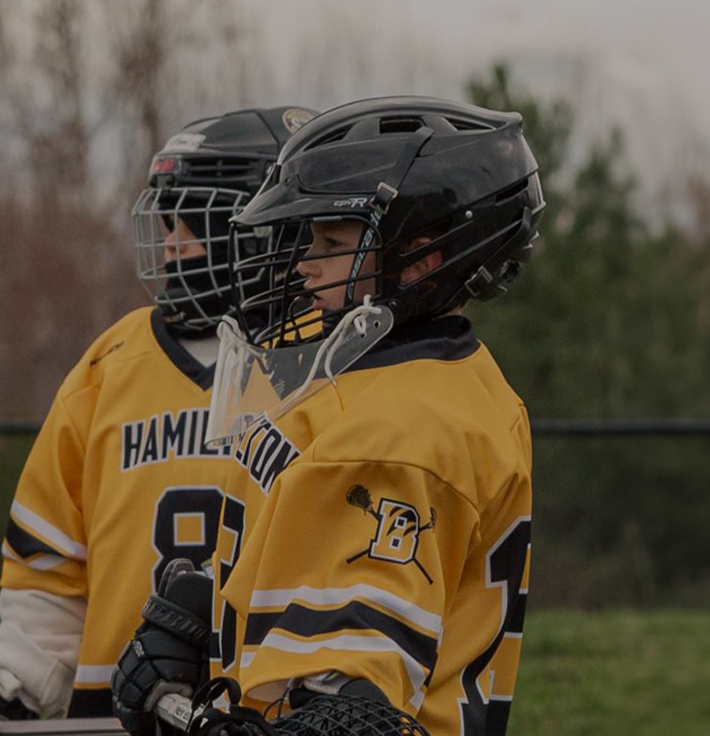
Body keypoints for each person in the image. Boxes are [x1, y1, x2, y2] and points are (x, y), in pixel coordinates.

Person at [112, 96, 545, 736]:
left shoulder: (391, 435)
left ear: (420, 257)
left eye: (331, 240)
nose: (300, 264)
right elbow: (322, 549)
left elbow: (354, 704)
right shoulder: (430, 380)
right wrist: (214, 601)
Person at [0, 105, 318, 736]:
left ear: (256, 226)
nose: (169, 244)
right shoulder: (108, 366)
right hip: (114, 719)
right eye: (166, 222)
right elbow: (50, 567)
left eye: (188, 222)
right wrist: (15, 684)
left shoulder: (325, 369)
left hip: (268, 717)